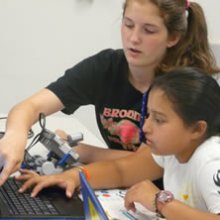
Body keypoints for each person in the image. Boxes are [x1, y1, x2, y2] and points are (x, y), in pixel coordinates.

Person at [0, 0, 219, 186]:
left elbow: (150, 164)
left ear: (173, 37)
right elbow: (30, 107)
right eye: (128, 24)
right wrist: (15, 135)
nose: (133, 38)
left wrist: (85, 158)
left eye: (148, 30)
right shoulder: (106, 67)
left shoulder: (182, 87)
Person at [16, 67, 220, 219]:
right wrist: (71, 177)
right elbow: (121, 170)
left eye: (159, 120)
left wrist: (160, 202)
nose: (145, 128)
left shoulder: (210, 158)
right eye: (148, 115)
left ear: (196, 129)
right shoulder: (173, 148)